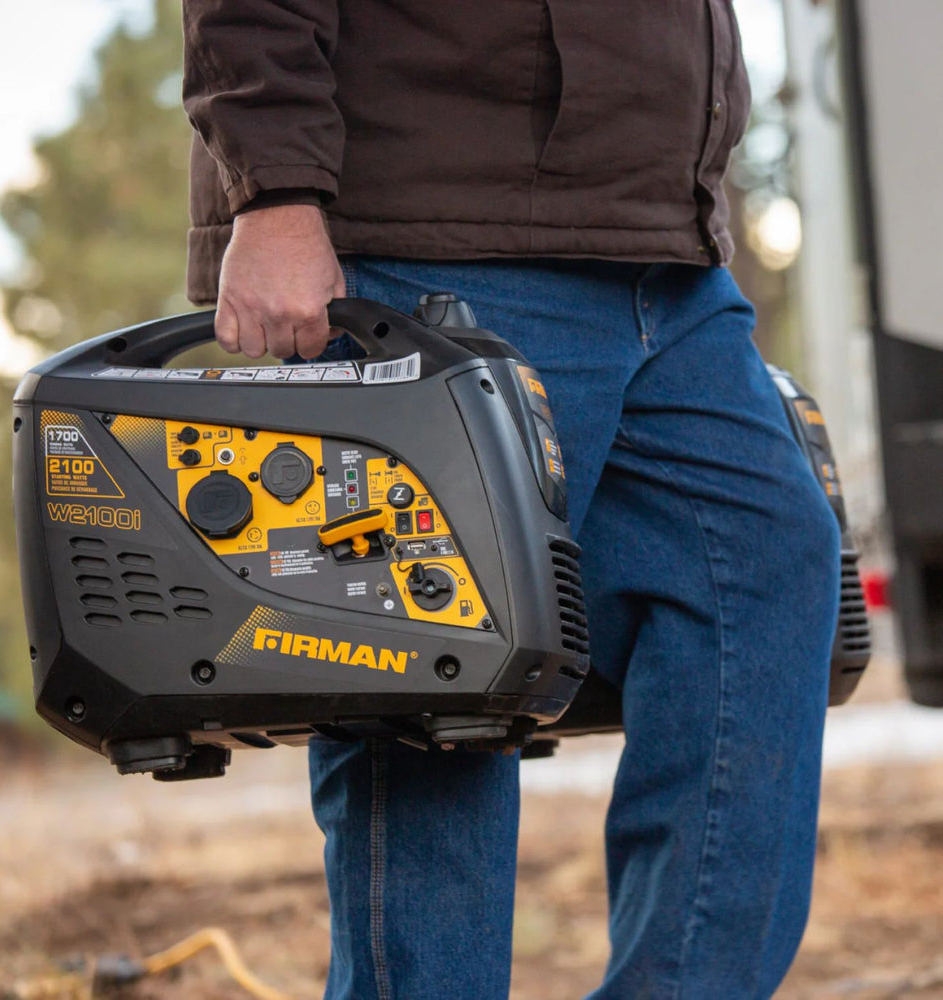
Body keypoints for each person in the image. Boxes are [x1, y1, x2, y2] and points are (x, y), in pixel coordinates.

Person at [181, 3, 841, 997]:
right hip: (438, 225)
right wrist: (271, 190)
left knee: (764, 565)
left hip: (662, 249)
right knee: (438, 679)